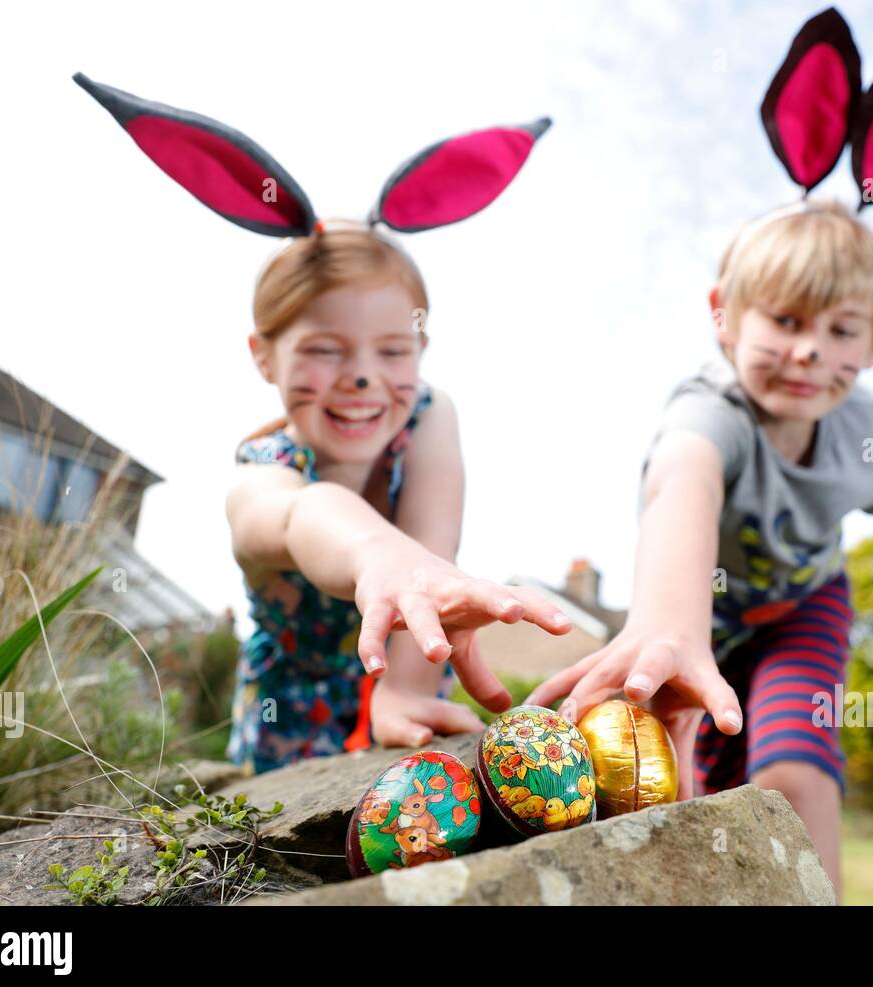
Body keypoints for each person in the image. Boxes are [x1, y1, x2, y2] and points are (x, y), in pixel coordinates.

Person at [526, 9, 873, 902]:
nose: (810, 350)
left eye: (841, 329)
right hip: (694, 606)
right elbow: (682, 485)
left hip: (803, 608)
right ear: (725, 317)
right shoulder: (713, 410)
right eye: (784, 321)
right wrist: (668, 624)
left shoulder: (864, 426)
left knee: (795, 766)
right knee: (676, 768)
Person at [73, 73, 566, 774]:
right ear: (264, 358)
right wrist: (376, 556)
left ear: (420, 348)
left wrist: (402, 690)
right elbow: (305, 512)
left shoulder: (429, 414)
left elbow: (432, 541)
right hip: (291, 709)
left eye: (392, 351)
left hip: (410, 669)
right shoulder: (262, 474)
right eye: (324, 350)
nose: (362, 376)